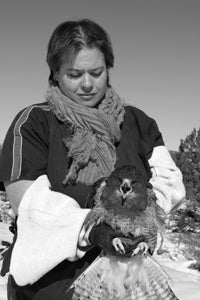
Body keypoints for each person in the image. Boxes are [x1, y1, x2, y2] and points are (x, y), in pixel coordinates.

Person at [0, 19, 185, 300]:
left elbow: (169, 182)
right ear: (55, 73)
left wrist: (141, 222)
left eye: (96, 72)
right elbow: (28, 204)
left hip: (132, 283)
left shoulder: (137, 121)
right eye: (74, 74)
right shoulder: (34, 123)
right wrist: (91, 227)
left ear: (108, 70)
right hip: (53, 287)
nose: (87, 84)